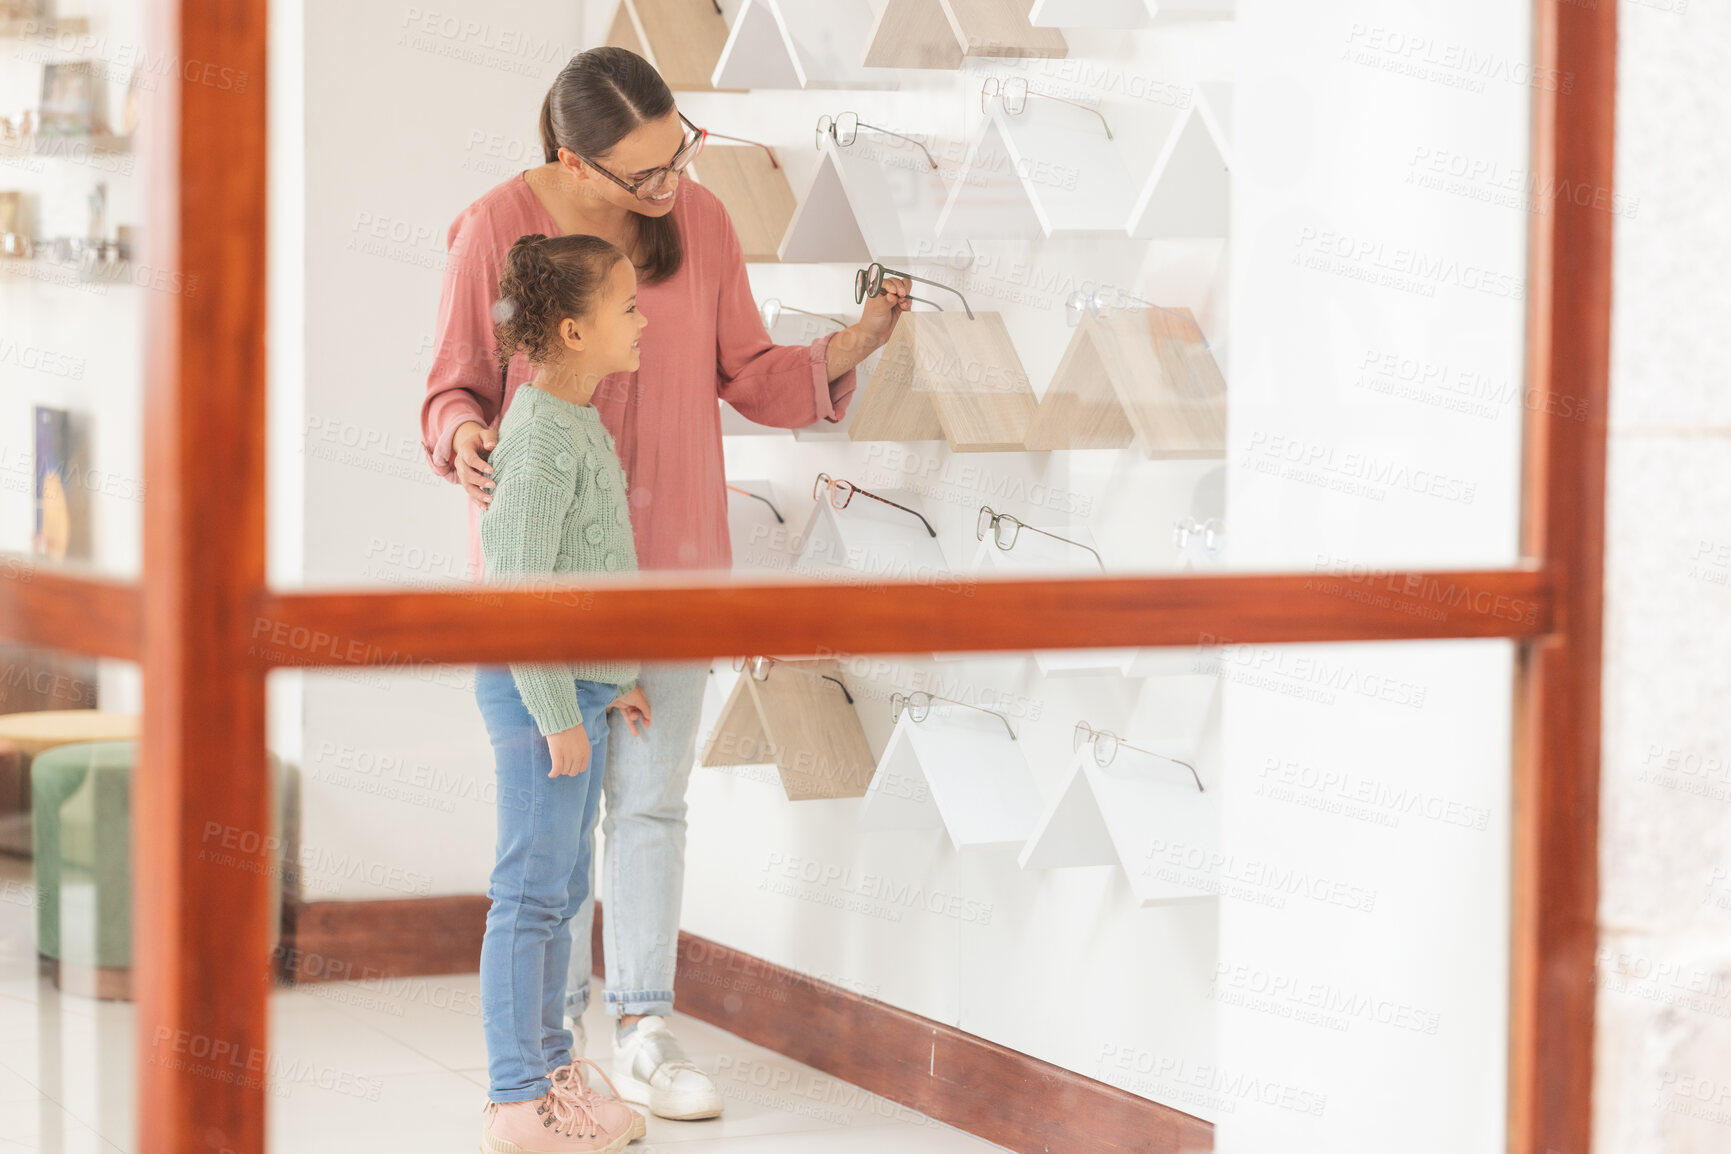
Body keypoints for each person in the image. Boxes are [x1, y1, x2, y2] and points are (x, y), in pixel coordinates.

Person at [421, 46, 911, 1121]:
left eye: (676, 156)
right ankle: (550, 1059)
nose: (668, 188)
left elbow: (748, 372)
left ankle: (643, 1028)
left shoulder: (702, 220)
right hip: (547, 581)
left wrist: (848, 346)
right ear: (572, 160)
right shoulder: (492, 230)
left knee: (650, 802)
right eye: (642, 174)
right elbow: (453, 383)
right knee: (550, 832)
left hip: (677, 564)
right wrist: (459, 433)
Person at [475, 232, 653, 1153]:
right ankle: (516, 1100)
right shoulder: (543, 436)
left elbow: (590, 569)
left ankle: (552, 1075)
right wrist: (556, 713)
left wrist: (612, 680)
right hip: (534, 689)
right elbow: (517, 592)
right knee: (530, 894)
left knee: (563, 887)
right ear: (576, 331)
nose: (643, 320)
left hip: (575, 684)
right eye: (628, 308)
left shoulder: (577, 418)